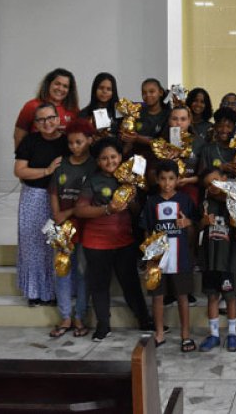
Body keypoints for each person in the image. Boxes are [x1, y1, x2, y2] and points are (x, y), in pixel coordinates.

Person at [75, 137, 154, 341]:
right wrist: (107, 209)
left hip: (124, 240)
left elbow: (136, 211)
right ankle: (103, 325)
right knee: (99, 285)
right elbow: (81, 210)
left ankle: (144, 320)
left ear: (121, 157)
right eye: (104, 158)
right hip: (96, 242)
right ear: (97, 161)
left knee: (131, 284)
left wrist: (133, 195)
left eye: (113, 156)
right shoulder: (92, 181)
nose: (110, 161)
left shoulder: (128, 178)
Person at [14, 103, 69, 306]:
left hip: (60, 198)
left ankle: (54, 292)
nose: (47, 123)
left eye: (50, 118)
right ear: (36, 123)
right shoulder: (30, 141)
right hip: (34, 196)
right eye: (41, 119)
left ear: (58, 118)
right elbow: (19, 170)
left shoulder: (65, 142)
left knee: (55, 245)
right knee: (33, 243)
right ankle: (35, 292)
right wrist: (46, 171)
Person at [140, 159, 197, 351]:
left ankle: (185, 335)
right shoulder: (151, 202)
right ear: (157, 180)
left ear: (178, 179)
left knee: (182, 296)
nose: (167, 183)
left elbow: (194, 226)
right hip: (158, 259)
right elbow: (147, 231)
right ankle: (159, 333)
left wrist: (188, 223)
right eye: (163, 179)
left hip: (180, 257)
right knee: (158, 297)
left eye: (171, 179)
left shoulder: (185, 200)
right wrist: (149, 259)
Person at [48, 118, 95, 338]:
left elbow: (88, 201)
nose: (74, 147)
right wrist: (57, 215)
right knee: (62, 270)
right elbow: (54, 191)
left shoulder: (94, 166)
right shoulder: (61, 164)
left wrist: (68, 213)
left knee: (84, 272)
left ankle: (80, 316)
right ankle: (65, 316)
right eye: (70, 143)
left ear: (89, 140)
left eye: (79, 142)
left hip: (86, 226)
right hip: (62, 227)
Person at [198, 167, 236, 352]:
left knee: (230, 297)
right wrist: (203, 222)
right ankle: (214, 335)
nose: (213, 186)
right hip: (209, 258)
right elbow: (198, 226)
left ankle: (232, 334)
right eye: (208, 184)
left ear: (224, 179)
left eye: (215, 181)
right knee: (212, 296)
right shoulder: (205, 202)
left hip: (227, 258)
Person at [14, 68, 79, 149]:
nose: (60, 89)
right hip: (36, 158)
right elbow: (19, 137)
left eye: (65, 86)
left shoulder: (73, 109)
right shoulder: (31, 106)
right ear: (49, 84)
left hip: (63, 158)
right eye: (57, 84)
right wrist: (23, 158)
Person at [121, 78, 170, 157]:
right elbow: (129, 138)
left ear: (160, 92)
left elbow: (164, 144)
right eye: (144, 93)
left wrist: (138, 138)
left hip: (158, 159)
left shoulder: (168, 115)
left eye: (151, 92)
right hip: (136, 158)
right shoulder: (136, 112)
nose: (147, 95)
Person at [199, 107, 236, 176]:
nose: (224, 130)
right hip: (212, 185)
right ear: (215, 126)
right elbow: (201, 175)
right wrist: (221, 168)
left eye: (228, 126)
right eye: (220, 126)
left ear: (234, 128)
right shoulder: (207, 149)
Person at [78, 72, 120, 137]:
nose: (104, 91)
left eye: (108, 89)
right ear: (95, 90)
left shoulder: (119, 113)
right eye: (101, 88)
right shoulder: (84, 114)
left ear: (113, 92)